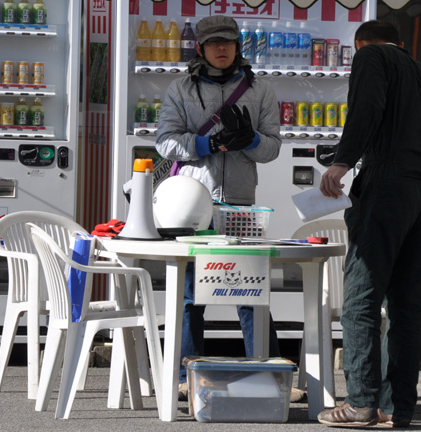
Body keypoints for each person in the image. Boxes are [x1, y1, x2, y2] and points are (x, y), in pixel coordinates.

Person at [317, 20, 421, 427]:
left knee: (361, 298)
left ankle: (360, 402)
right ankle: (397, 408)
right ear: (401, 43)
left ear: (359, 44)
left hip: (388, 185)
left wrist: (342, 161)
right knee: (407, 307)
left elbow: (367, 108)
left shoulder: (371, 57)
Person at [154, 15, 284, 401]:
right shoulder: (181, 88)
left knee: (251, 290)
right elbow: (165, 141)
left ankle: (268, 372)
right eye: (213, 43)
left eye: (228, 42)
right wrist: (206, 145)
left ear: (238, 46)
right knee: (190, 295)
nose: (221, 48)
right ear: (200, 48)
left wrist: (251, 140)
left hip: (241, 204)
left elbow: (273, 147)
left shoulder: (261, 90)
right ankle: (184, 375)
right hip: (191, 205)